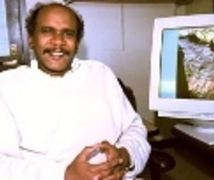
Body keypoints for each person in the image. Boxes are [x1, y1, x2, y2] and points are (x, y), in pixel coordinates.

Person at [0, 2, 150, 180]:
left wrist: (125, 156)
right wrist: (65, 174)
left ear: (77, 43)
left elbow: (134, 128)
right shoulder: (7, 86)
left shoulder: (101, 73)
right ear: (31, 39)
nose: (58, 42)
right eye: (47, 31)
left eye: (68, 33)